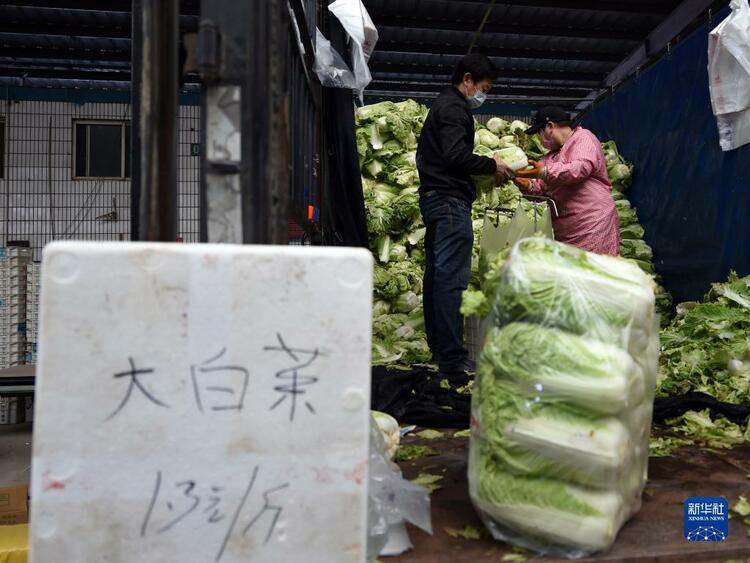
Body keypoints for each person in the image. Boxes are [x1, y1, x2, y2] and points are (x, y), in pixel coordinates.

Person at [416, 54, 514, 378]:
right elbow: (455, 155)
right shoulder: (455, 108)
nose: (483, 94)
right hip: (449, 202)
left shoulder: (443, 106)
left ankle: (441, 352)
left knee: (437, 277)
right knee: (451, 280)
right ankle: (453, 362)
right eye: (483, 88)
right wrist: (492, 165)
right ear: (468, 79)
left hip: (435, 200)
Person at [514, 106, 620, 256]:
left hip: (592, 222)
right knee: (571, 273)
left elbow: (581, 168)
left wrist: (544, 171)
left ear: (550, 126)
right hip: (566, 228)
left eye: (539, 133)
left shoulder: (583, 138)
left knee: (592, 270)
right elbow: (543, 187)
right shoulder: (550, 156)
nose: (540, 139)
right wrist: (528, 186)